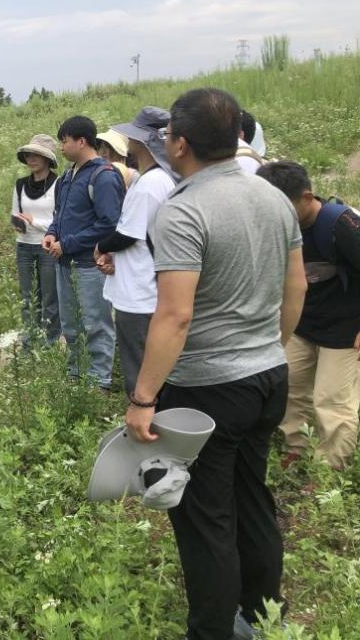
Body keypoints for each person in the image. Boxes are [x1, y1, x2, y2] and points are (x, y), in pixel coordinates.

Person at [124, 89, 306, 640]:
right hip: (268, 377)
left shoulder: (184, 210)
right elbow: (296, 286)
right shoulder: (272, 196)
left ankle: (214, 632)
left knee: (206, 519)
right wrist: (269, 348)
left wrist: (143, 398)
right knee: (253, 500)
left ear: (179, 143)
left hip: (208, 390)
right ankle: (263, 616)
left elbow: (175, 315)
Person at [256, 161, 360, 470]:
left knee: (332, 400)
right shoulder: (279, 227)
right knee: (289, 387)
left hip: (346, 330)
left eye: (282, 207)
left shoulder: (341, 225)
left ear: (306, 197)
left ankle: (330, 468)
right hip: (303, 324)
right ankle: (295, 448)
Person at [95, 107, 177, 395]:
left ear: (144, 141)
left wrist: (101, 247)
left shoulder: (150, 184)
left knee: (140, 368)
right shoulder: (163, 178)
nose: (128, 140)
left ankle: (143, 414)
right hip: (150, 285)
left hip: (140, 294)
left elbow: (128, 235)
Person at [43, 116, 124, 390]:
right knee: (70, 324)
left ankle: (100, 381)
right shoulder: (67, 177)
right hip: (64, 263)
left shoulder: (104, 176)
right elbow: (59, 215)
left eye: (64, 141)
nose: (61, 147)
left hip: (90, 265)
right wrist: (51, 233)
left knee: (96, 323)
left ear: (81, 141)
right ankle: (75, 374)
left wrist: (68, 244)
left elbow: (109, 224)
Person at [11, 134, 61, 346]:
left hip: (48, 247)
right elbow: (15, 213)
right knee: (28, 297)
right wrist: (18, 222)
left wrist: (35, 222)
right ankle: (29, 343)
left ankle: (49, 343)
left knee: (50, 297)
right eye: (29, 155)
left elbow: (60, 219)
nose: (31, 159)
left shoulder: (59, 184)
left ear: (47, 159)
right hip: (24, 246)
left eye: (36, 155)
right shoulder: (21, 184)